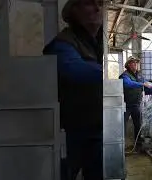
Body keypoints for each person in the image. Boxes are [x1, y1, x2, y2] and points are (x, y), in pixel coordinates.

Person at [42, 0, 103, 179]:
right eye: (89, 3)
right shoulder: (62, 43)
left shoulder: (92, 44)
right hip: (70, 133)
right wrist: (110, 76)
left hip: (94, 130)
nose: (97, 8)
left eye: (99, 4)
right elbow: (73, 70)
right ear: (73, 11)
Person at [119, 56, 152, 151]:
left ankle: (138, 146)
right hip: (125, 105)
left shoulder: (139, 76)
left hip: (136, 104)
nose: (135, 64)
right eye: (133, 62)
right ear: (128, 65)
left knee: (138, 125)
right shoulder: (125, 75)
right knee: (122, 125)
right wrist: (142, 84)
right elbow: (128, 84)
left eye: (136, 62)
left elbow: (147, 86)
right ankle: (120, 147)